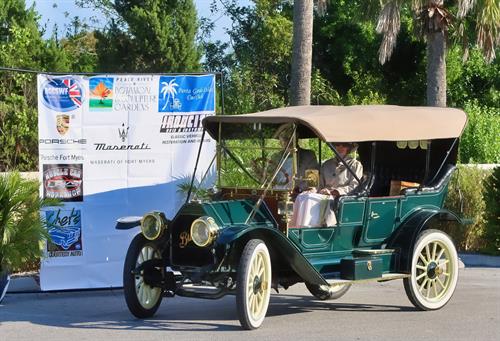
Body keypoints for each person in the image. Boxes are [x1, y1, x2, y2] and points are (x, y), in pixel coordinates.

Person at [291, 142, 363, 228]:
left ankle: (309, 227)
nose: (340, 147)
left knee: (309, 199)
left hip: (339, 197)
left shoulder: (355, 165)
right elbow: (319, 184)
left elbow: (355, 186)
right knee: (303, 196)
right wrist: (313, 189)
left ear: (349, 148)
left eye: (344, 145)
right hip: (323, 195)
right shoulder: (327, 164)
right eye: (338, 145)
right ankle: (297, 227)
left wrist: (334, 192)